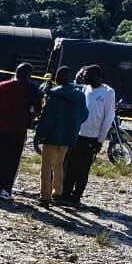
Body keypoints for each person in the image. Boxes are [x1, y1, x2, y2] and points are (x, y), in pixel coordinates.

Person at [0, 63, 42, 200]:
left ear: (16, 72)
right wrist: (28, 118)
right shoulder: (33, 89)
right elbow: (38, 110)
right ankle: (5, 190)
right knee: (12, 161)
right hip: (19, 130)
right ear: (29, 75)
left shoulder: (3, 85)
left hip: (0, 128)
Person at [61, 65, 116, 205]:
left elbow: (108, 118)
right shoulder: (85, 88)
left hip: (92, 138)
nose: (83, 78)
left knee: (83, 168)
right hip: (77, 135)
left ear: (96, 76)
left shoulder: (108, 92)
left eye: (86, 75)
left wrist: (100, 140)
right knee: (69, 165)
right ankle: (65, 193)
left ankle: (76, 196)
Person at [35, 66, 89, 206]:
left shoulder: (54, 94)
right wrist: (73, 126)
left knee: (46, 166)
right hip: (68, 136)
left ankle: (45, 196)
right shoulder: (80, 95)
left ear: (58, 77)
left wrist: (40, 133)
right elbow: (84, 115)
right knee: (59, 164)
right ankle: (57, 192)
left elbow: (48, 117)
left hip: (52, 135)